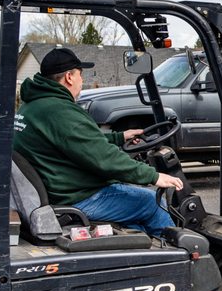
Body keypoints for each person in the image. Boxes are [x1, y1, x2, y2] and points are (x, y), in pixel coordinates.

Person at [13, 47, 183, 236]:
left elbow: (77, 140)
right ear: (69, 77)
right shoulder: (60, 111)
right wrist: (154, 176)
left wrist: (119, 137)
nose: (82, 80)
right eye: (80, 75)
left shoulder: (34, 106)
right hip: (77, 197)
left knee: (137, 221)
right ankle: (179, 253)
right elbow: (104, 159)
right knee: (153, 202)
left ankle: (145, 254)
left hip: (61, 189)